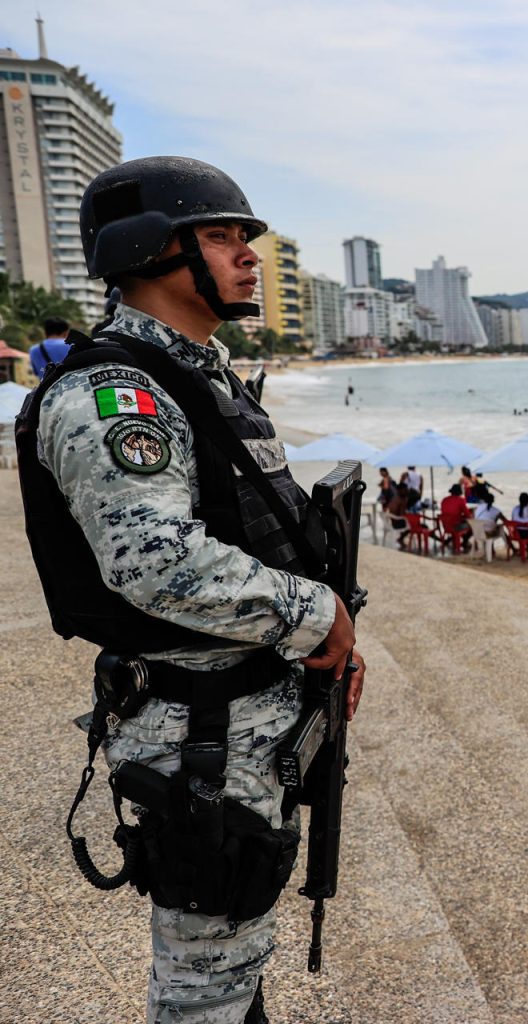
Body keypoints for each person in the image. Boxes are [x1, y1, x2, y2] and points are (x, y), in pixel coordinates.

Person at [18, 157, 365, 1023]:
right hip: (200, 735)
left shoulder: (196, 373)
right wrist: (315, 614)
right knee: (203, 983)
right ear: (147, 250)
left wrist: (317, 657)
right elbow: (155, 562)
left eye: (246, 237)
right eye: (221, 235)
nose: (248, 255)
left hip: (246, 713)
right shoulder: (117, 392)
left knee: (231, 957)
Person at [438, 483, 471, 550]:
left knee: (458, 523)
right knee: (472, 526)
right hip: (456, 527)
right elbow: (468, 515)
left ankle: (456, 540)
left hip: (446, 526)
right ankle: (465, 541)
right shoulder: (460, 500)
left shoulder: (444, 500)